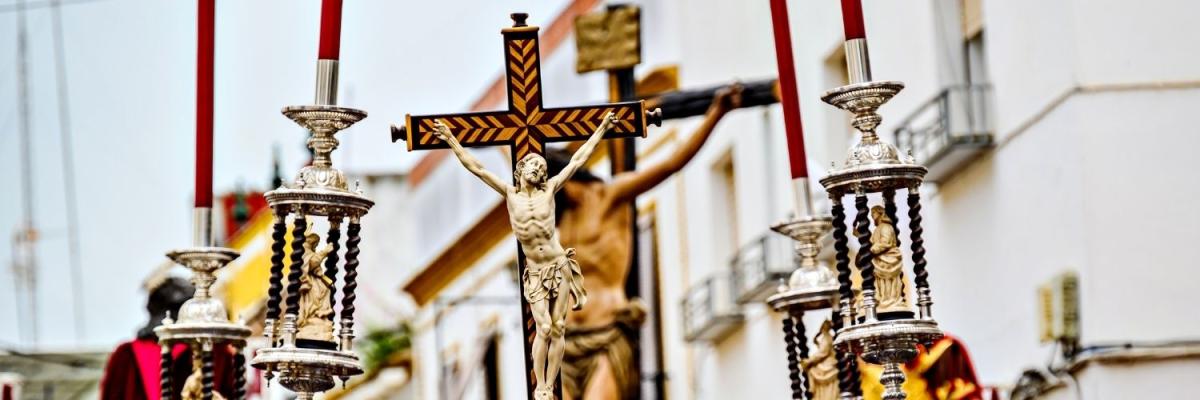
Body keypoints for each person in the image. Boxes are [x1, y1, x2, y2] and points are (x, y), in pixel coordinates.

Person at [543, 83, 743, 399]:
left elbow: (671, 163)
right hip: (564, 340)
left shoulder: (611, 195)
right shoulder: (561, 219)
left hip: (607, 335)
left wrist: (716, 113)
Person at [431, 112, 617, 400]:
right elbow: (476, 167)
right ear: (520, 170)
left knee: (557, 329)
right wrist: (451, 140)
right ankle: (542, 384)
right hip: (536, 270)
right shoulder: (510, 194)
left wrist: (603, 127)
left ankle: (548, 386)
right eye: (532, 165)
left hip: (557, 265)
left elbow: (578, 159)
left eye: (541, 166)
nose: (538, 169)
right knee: (542, 327)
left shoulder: (551, 190)